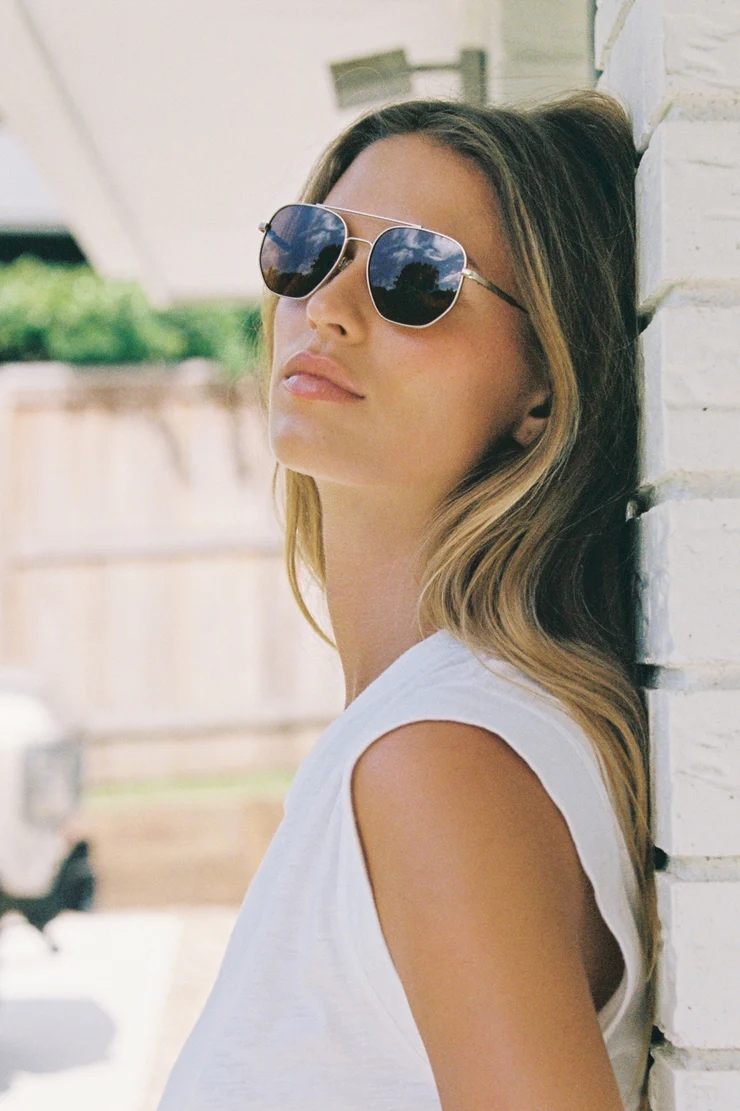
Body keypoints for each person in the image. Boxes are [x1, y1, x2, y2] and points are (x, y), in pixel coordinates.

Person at [156, 90, 658, 1111]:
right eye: (308, 248)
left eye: (415, 276)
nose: (328, 308)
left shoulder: (440, 759)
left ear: (543, 390)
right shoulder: (420, 733)